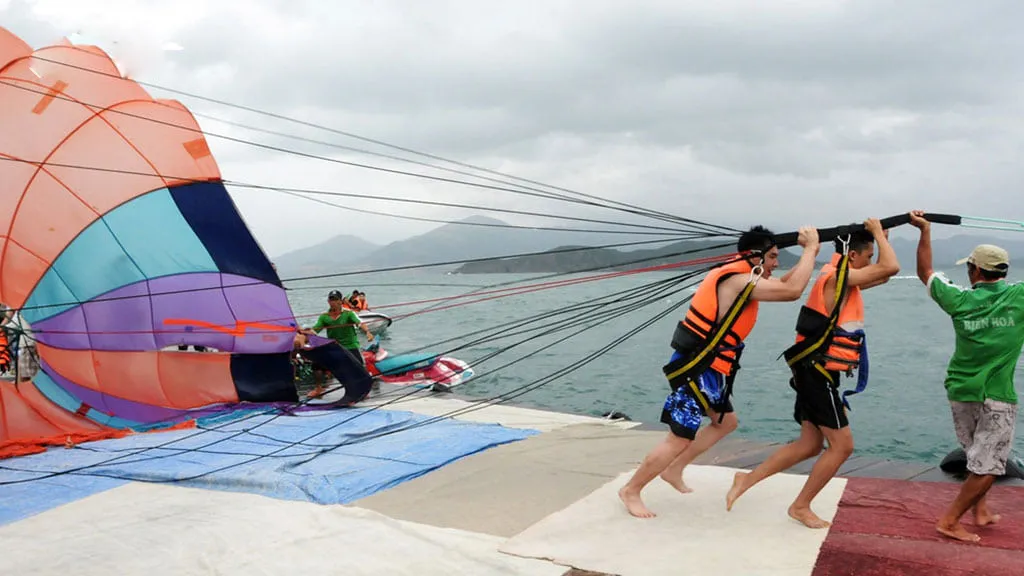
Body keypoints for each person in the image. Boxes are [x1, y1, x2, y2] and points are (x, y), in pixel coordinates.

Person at [618, 224, 822, 519]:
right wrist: (811, 249)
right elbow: (791, 291)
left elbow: (784, 283)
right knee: (679, 437)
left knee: (725, 423)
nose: (777, 264)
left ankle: (674, 468)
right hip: (696, 368)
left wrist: (811, 250)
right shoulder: (737, 281)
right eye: (773, 257)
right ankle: (631, 490)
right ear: (754, 256)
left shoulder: (745, 277)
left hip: (712, 370)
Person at [723, 218, 900, 528]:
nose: (871, 261)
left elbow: (883, 274)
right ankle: (801, 506)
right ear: (854, 256)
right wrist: (875, 233)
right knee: (843, 446)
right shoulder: (835, 277)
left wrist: (880, 238)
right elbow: (890, 268)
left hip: (816, 370)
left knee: (809, 444)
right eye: (868, 255)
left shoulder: (841, 275)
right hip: (816, 371)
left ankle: (746, 479)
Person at [907, 210, 1024, 543]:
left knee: (976, 455)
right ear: (1002, 271)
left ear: (974, 270)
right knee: (987, 466)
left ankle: (980, 511)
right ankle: (949, 520)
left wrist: (925, 231)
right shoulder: (1019, 297)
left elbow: (925, 271)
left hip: (960, 390)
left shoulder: (959, 299)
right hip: (996, 396)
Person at [302, 290, 374, 398]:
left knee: (360, 367)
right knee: (316, 366)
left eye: (335, 300)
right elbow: (314, 331)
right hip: (335, 347)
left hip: (350, 346)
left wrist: (367, 332)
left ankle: (363, 391)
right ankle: (318, 389)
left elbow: (360, 323)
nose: (333, 302)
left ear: (340, 301)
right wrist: (303, 332)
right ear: (328, 301)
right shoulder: (324, 317)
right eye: (331, 300)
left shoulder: (348, 314)